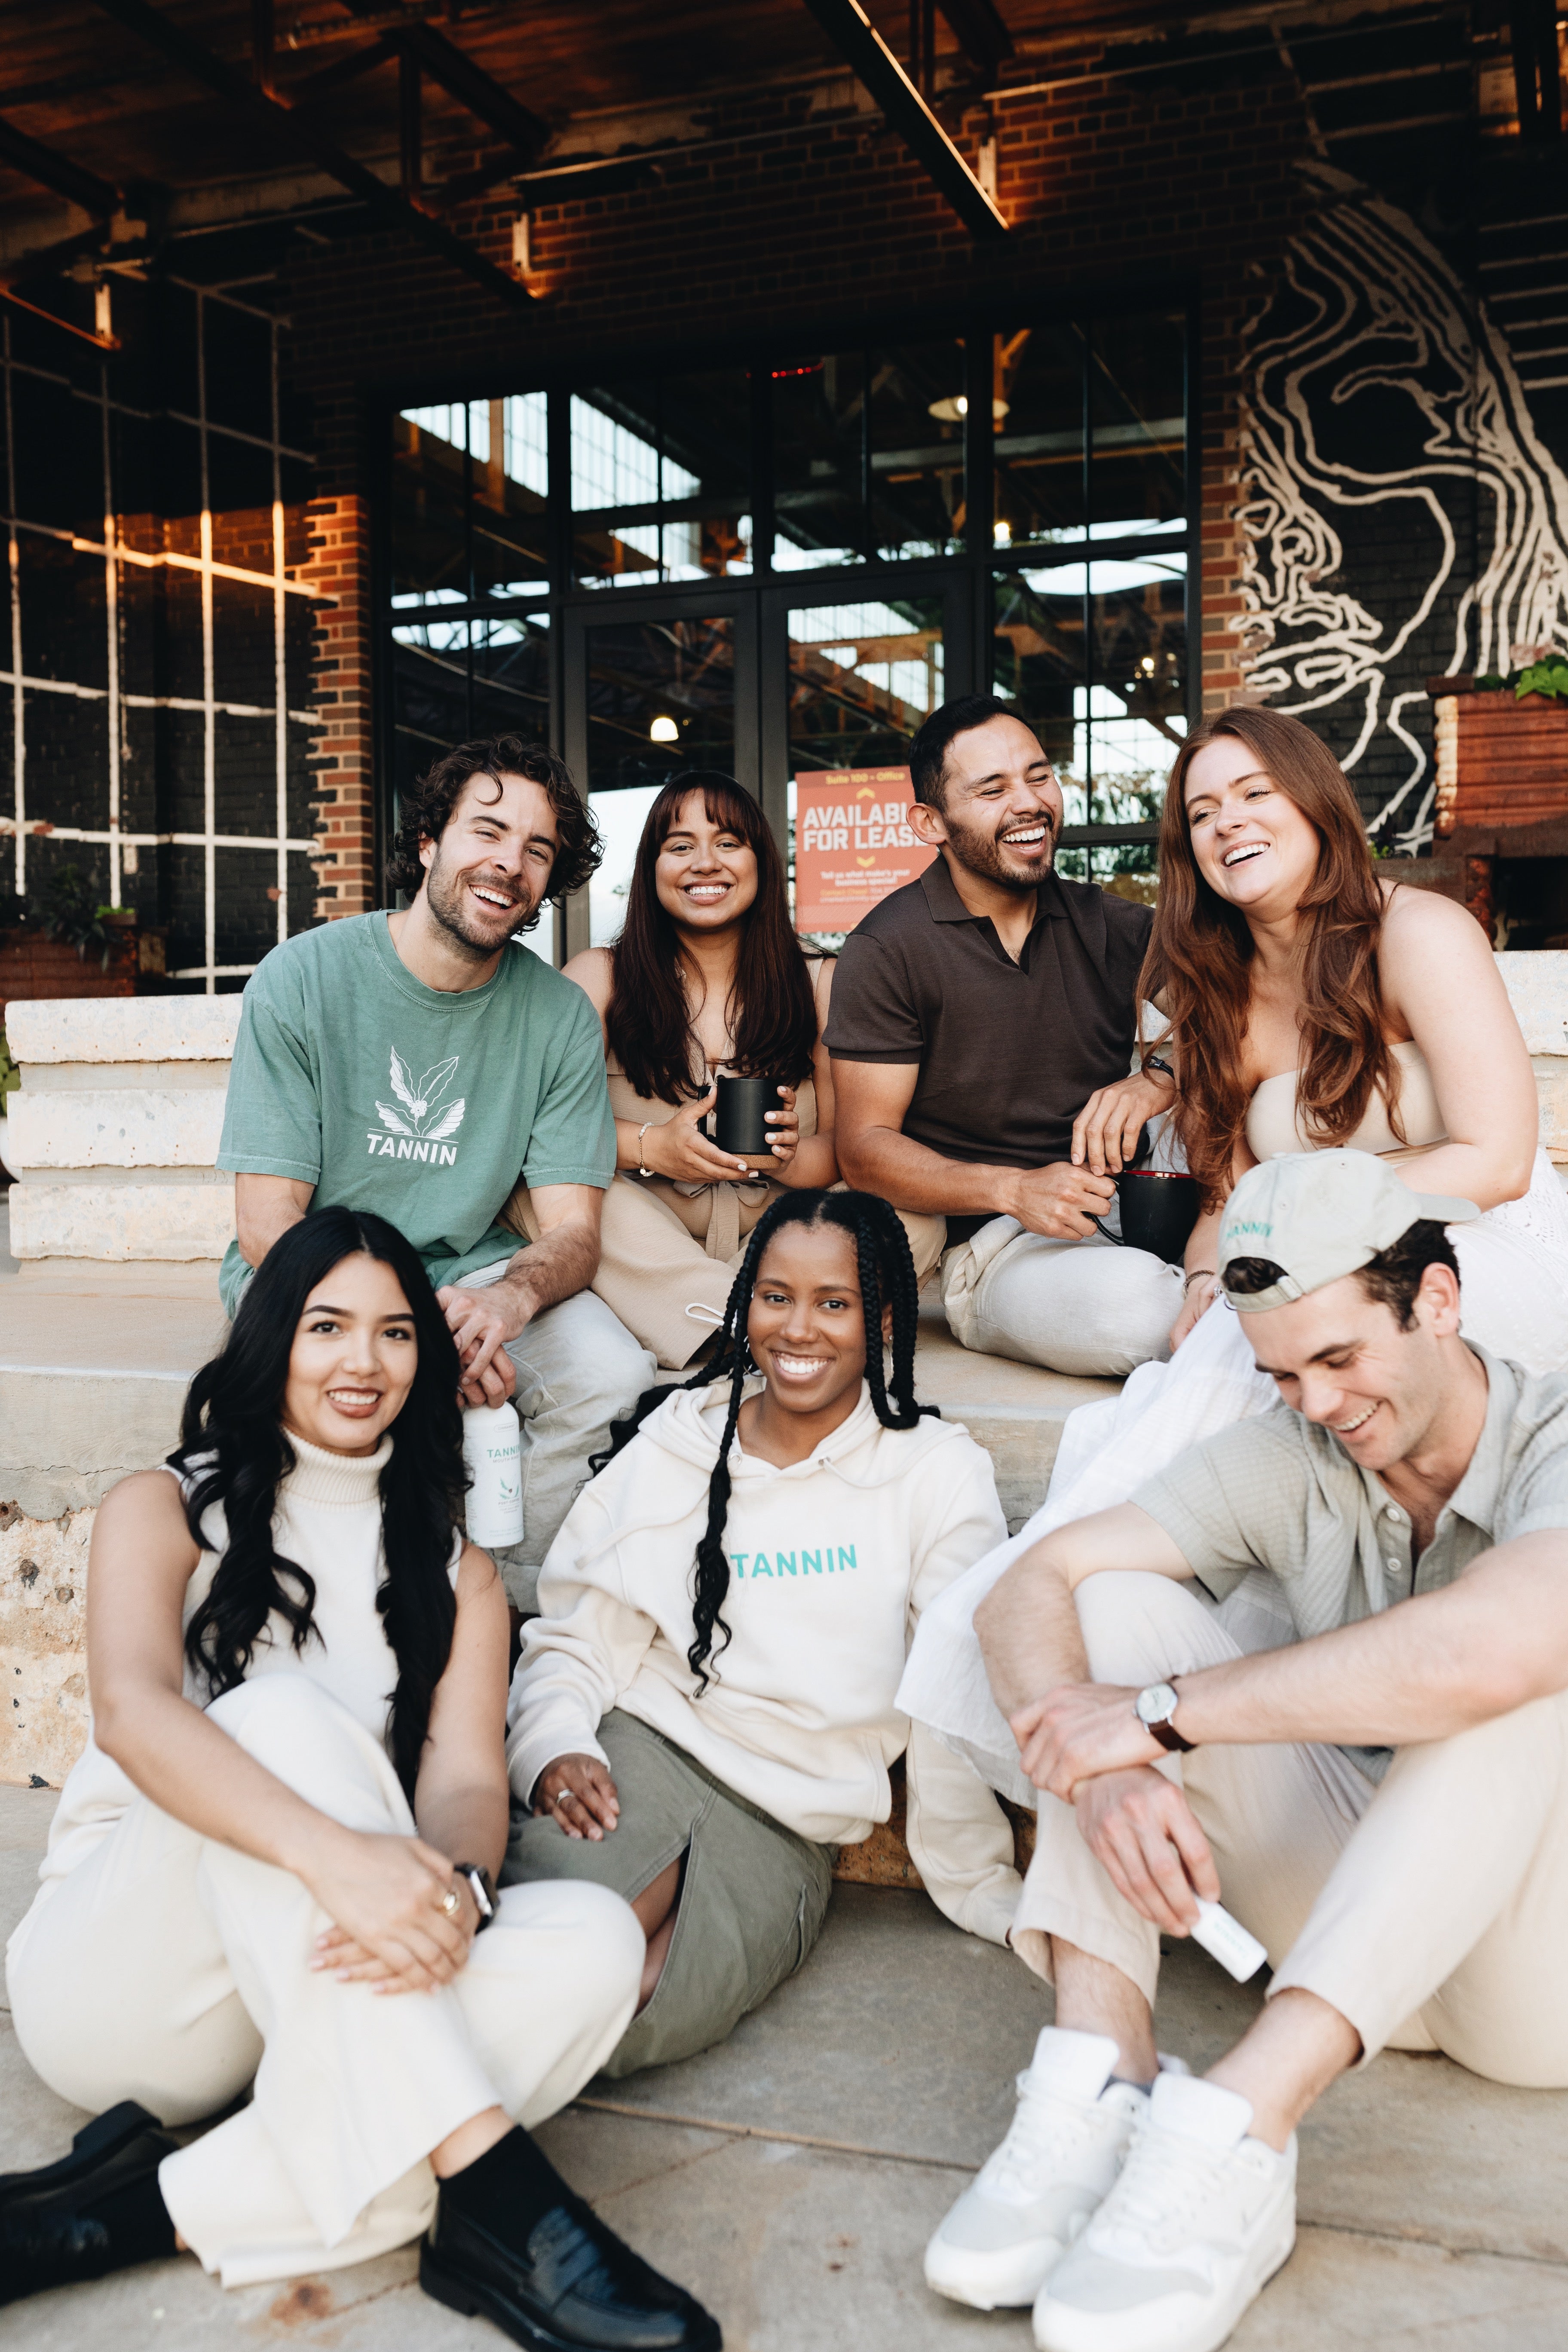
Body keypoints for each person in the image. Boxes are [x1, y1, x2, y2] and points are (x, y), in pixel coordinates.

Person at [2, 1208, 718, 2349]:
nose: (363, 1361)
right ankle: (500, 2203)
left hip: (306, 1986)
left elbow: (467, 1792)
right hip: (132, 1992)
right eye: (327, 1326)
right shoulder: (165, 1508)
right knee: (280, 1717)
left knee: (591, 1940)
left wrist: (458, 1894)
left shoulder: (457, 1572)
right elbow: (136, 1720)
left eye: (395, 1334)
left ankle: (108, 2217)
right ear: (271, 1338)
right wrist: (349, 1864)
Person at [922, 1151, 1568, 2352]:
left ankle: (1239, 2127)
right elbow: (1031, 1583)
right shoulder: (1302, 1448)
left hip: (1540, 1976)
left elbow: (1489, 1653)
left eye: (1338, 1359)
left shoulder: (1557, 1432)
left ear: (1437, 1302)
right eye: (1281, 1374)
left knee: (1519, 1672)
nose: (1317, 1404)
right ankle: (1101, 2070)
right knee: (1101, 1614)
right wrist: (1110, 1761)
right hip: (1359, 1930)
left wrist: (1166, 1714)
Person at [897, 702, 1568, 1800]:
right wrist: (1213, 1269)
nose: (1230, 822)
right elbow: (1224, 1189)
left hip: (1481, 1254)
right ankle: (1102, 1640)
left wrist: (1299, 1225)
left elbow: (1497, 1156)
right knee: (1224, 1338)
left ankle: (1109, 1642)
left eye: (1256, 793)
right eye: (1202, 811)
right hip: (1316, 1274)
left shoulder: (1416, 931)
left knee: (1274, 1338)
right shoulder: (1213, 982)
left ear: (1314, 805)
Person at [503, 1189, 1022, 2075]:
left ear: (884, 1318)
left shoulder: (935, 1475)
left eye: (835, 1303)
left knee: (628, 2015)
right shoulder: (683, 1436)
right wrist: (553, 1745)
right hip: (645, 1751)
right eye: (776, 1297)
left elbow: (952, 1693)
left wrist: (983, 1886)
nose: (799, 1330)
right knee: (539, 1964)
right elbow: (580, 1630)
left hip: (786, 1820)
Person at [216, 734, 655, 1611]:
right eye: (486, 832)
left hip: (471, 1273)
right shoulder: (302, 978)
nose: (509, 863)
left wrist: (509, 1303)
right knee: (355, 1387)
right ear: (428, 842)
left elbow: (573, 1234)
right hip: (314, 1274)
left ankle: (515, 1607)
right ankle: (345, 1604)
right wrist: (412, 1328)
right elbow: (269, 1221)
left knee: (610, 1373)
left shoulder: (559, 1016)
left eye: (538, 850)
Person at [825, 693, 1180, 1380]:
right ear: (931, 822)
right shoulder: (886, 946)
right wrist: (1015, 1191)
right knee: (1142, 1312)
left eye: (1039, 776)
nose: (1029, 802)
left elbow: (1241, 1017)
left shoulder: (1109, 923)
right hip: (995, 1245)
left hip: (1132, 1208)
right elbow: (865, 1150)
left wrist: (1157, 1079)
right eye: (993, 789)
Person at [562, 773, 941, 1369]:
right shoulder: (599, 978)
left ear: (762, 861)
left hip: (777, 1238)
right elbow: (542, 1131)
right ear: (651, 868)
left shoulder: (822, 981)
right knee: (562, 1193)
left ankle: (711, 1318)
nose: (704, 864)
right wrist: (654, 1147)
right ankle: (759, 1321)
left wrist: (787, 1156)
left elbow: (849, 1154)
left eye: (728, 843)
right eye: (680, 846)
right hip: (647, 1235)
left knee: (915, 1214)